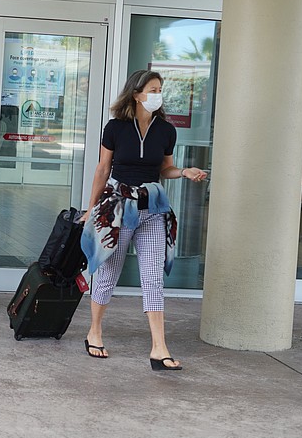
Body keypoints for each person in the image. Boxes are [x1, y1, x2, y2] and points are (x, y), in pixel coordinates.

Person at [80, 69, 207, 370]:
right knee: (108, 273)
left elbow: (165, 169)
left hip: (152, 207)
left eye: (159, 89)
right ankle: (94, 332)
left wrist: (184, 172)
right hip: (118, 207)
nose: (157, 94)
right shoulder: (115, 128)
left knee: (152, 278)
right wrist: (91, 209)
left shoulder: (166, 131)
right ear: (136, 94)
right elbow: (103, 169)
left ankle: (159, 348)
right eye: (152, 89)